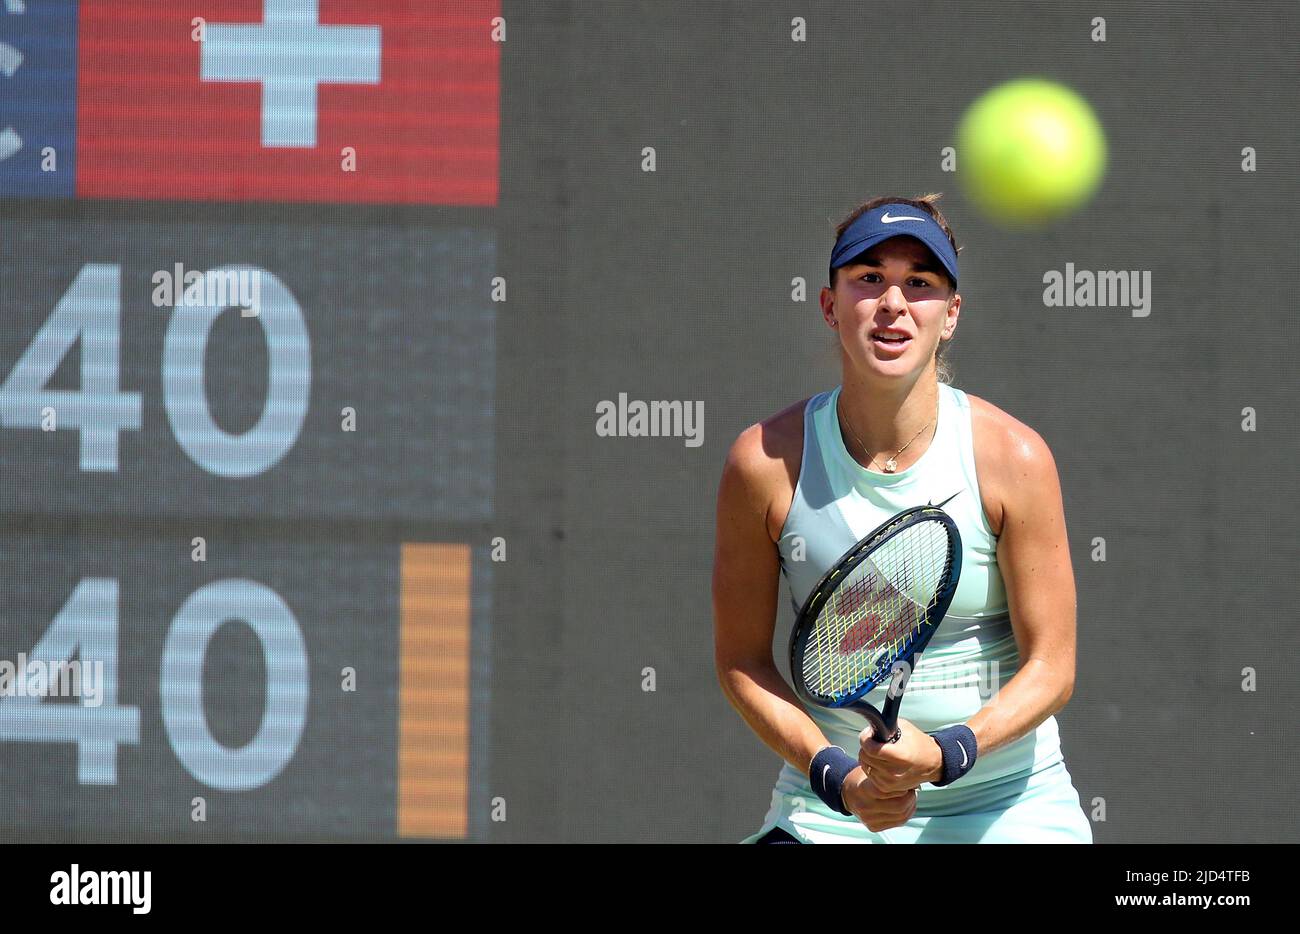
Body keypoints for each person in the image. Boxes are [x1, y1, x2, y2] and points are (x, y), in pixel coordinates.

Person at [712, 194, 1092, 843]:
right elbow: (742, 663)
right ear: (830, 306)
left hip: (1009, 808)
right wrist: (837, 778)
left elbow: (1052, 668)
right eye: (869, 278)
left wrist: (946, 754)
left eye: (919, 283)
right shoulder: (764, 463)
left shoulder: (1015, 458)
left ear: (950, 316)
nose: (893, 302)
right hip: (832, 811)